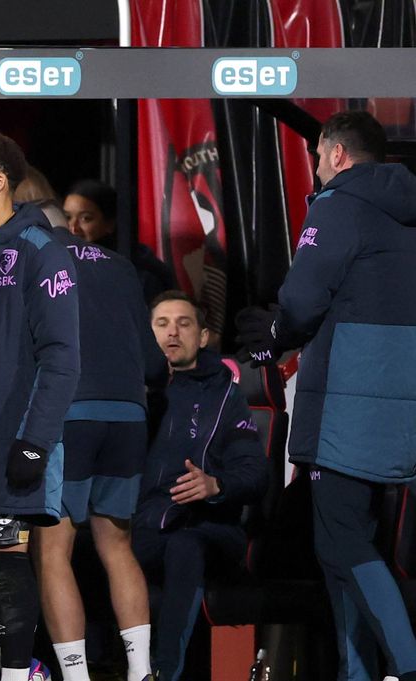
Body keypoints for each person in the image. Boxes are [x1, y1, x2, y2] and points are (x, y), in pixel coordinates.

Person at [236, 110, 416, 681]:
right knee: (348, 546)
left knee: (340, 537)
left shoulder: (337, 205)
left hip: (347, 397)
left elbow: (301, 301)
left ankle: (409, 665)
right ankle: (356, 673)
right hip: (402, 396)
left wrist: (273, 339)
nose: (315, 168)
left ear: (335, 153)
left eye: (317, 157)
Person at [0, 130, 79, 681]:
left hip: (10, 435)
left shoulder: (39, 247)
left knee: (6, 561)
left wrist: (34, 439)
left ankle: (20, 671)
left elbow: (63, 356)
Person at [33, 229, 168, 681]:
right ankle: (140, 670)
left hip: (69, 412)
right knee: (117, 545)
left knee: (54, 549)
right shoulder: (119, 264)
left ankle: (76, 676)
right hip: (129, 414)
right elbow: (153, 363)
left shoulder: (27, 254)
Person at [133, 291, 266, 681]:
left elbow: (256, 472)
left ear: (203, 336)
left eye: (184, 323)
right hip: (140, 525)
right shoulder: (128, 388)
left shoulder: (226, 396)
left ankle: (164, 673)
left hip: (206, 527)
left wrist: (215, 484)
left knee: (185, 546)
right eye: (161, 324)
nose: (172, 332)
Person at [63, 180, 176, 305]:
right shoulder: (59, 265)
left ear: (110, 223)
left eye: (85, 218)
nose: (73, 228)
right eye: (67, 217)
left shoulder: (140, 276)